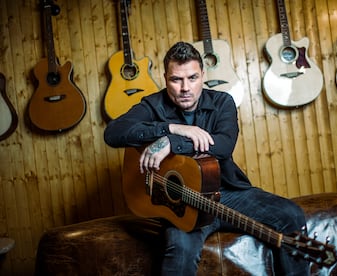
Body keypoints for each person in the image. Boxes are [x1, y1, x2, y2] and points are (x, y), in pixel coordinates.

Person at [104, 41, 309, 275]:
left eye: (192, 78)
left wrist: (172, 143)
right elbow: (113, 133)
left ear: (203, 75)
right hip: (183, 201)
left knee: (291, 215)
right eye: (176, 79)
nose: (185, 88)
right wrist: (172, 128)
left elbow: (222, 145)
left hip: (227, 192)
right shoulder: (153, 104)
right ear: (165, 78)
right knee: (179, 253)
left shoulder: (222, 102)